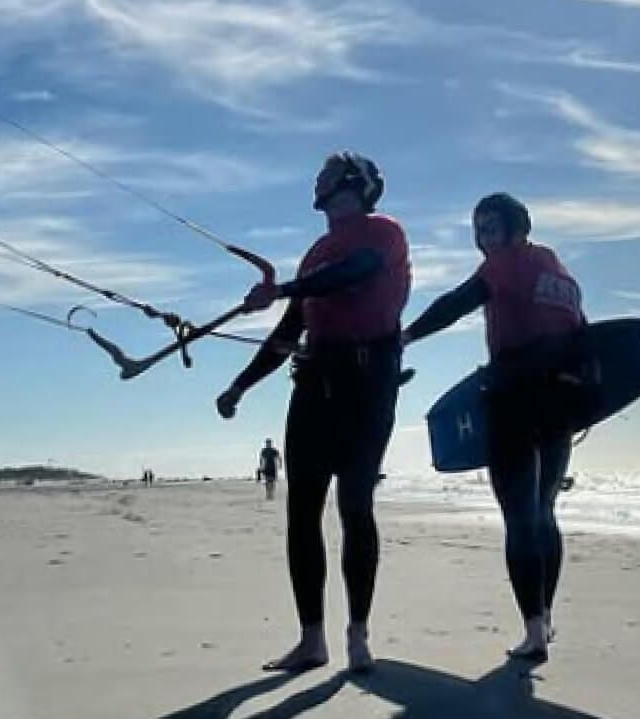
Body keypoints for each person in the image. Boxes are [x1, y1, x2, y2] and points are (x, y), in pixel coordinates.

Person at [216, 151, 410, 674]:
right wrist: (240, 385)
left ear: (354, 183)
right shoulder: (314, 254)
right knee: (301, 512)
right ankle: (311, 639)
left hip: (367, 386)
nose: (317, 179)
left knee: (354, 506)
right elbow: (288, 332)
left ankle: (358, 635)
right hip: (313, 386)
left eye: (328, 172)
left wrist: (281, 288)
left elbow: (357, 272)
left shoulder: (382, 231)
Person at [401, 193, 585, 667]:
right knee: (544, 510)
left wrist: (404, 336)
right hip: (560, 402)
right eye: (478, 230)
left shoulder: (507, 263)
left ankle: (533, 631)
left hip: (514, 398)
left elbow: (456, 303)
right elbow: (583, 339)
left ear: (516, 227)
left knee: (520, 516)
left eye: (492, 227)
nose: (485, 238)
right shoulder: (559, 272)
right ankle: (543, 617)